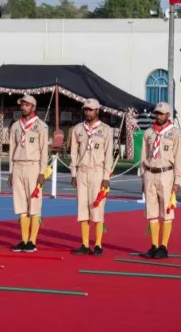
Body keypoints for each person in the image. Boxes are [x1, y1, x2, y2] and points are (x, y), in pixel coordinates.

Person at [139, 102, 181, 260]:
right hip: (150, 173)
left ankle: (163, 246)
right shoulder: (149, 133)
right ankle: (154, 245)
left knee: (166, 211)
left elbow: (178, 158)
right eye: (157, 113)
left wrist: (178, 181)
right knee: (151, 212)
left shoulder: (174, 133)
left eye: (161, 113)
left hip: (166, 173)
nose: (158, 116)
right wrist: (143, 177)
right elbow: (144, 156)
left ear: (168, 115)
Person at [68, 99, 113, 255]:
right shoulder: (78, 129)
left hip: (98, 171)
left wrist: (106, 176)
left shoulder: (106, 130)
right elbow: (74, 153)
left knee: (97, 207)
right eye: (86, 109)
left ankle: (98, 244)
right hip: (82, 171)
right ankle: (85, 244)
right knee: (82, 208)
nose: (88, 112)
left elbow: (108, 155)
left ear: (97, 111)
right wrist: (73, 173)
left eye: (91, 110)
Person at [8, 94, 49, 253]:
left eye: (27, 105)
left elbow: (44, 151)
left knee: (34, 204)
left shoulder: (41, 126)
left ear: (33, 107)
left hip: (33, 166)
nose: (23, 107)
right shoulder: (15, 126)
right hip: (18, 165)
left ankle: (32, 241)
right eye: (22, 105)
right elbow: (12, 149)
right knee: (21, 205)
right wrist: (11, 171)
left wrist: (42, 172)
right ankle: (23, 239)